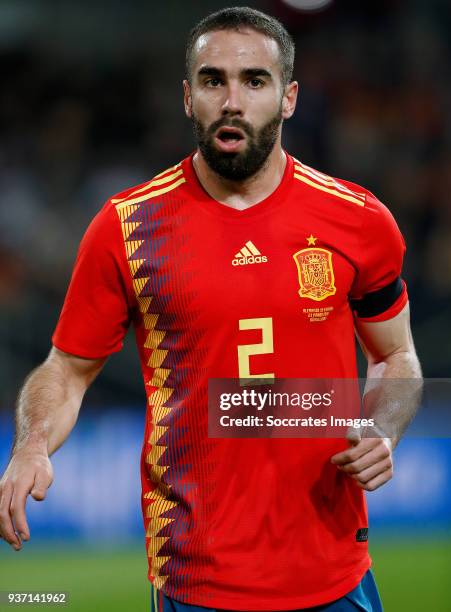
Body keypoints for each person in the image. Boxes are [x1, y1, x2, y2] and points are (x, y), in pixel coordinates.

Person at [0, 7, 422, 612]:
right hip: (197, 581)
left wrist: (383, 427)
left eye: (254, 81)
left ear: (289, 98)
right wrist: (32, 444)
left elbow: (397, 355)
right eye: (212, 79)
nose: (232, 100)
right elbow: (66, 369)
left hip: (334, 573)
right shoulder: (127, 228)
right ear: (187, 97)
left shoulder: (359, 221)